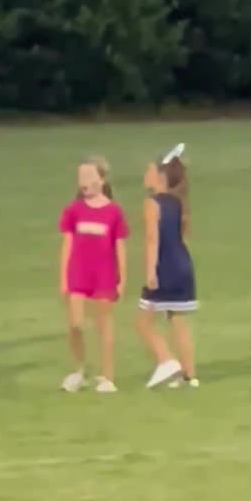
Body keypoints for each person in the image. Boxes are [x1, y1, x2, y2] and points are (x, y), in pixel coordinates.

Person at [59, 156, 128, 393]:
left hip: (104, 275)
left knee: (104, 325)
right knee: (75, 324)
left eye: (89, 177)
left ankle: (107, 377)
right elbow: (67, 245)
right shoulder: (73, 210)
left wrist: (122, 279)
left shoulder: (114, 212)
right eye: (81, 178)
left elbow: (120, 248)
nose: (84, 182)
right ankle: (79, 371)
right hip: (78, 274)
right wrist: (63, 279)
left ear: (102, 179)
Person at [136, 144, 198, 389]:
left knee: (142, 322)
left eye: (148, 170)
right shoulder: (179, 203)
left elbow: (153, 239)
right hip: (183, 266)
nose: (145, 175)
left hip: (164, 269)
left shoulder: (152, 203)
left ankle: (167, 361)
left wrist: (151, 273)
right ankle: (189, 376)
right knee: (178, 321)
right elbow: (182, 235)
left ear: (160, 176)